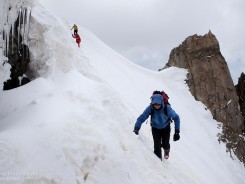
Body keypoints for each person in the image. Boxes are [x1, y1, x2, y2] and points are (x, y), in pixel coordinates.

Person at [133, 94, 180, 160]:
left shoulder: (167, 108)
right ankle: (159, 163)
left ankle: (166, 151)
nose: (157, 106)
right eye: (155, 105)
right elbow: (142, 117)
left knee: (165, 144)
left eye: (159, 105)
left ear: (161, 103)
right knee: (157, 147)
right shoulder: (150, 108)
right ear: (152, 103)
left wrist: (177, 132)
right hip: (155, 129)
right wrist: (136, 128)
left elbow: (176, 118)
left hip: (166, 128)